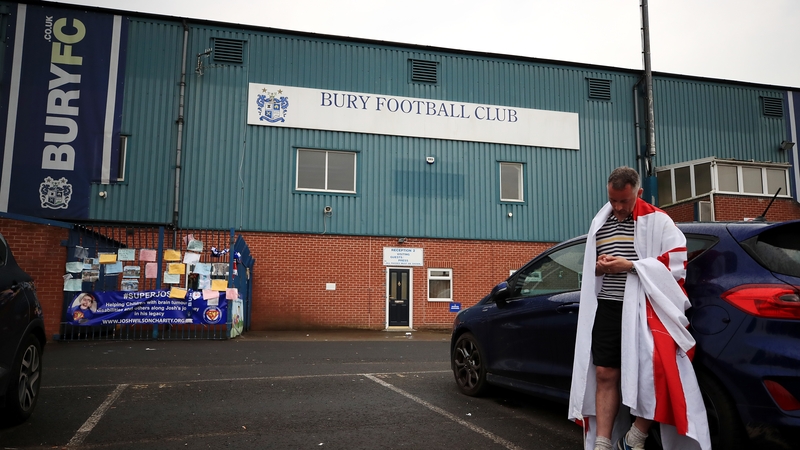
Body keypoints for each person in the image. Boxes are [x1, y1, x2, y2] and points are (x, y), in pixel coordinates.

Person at [568, 167, 711, 450]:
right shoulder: (600, 222)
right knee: (604, 373)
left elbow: (676, 263)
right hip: (608, 306)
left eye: (624, 200)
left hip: (645, 309)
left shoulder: (660, 221)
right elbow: (592, 267)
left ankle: (636, 436)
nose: (618, 207)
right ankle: (602, 443)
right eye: (613, 200)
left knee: (655, 371)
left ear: (639, 192)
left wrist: (631, 266)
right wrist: (599, 268)